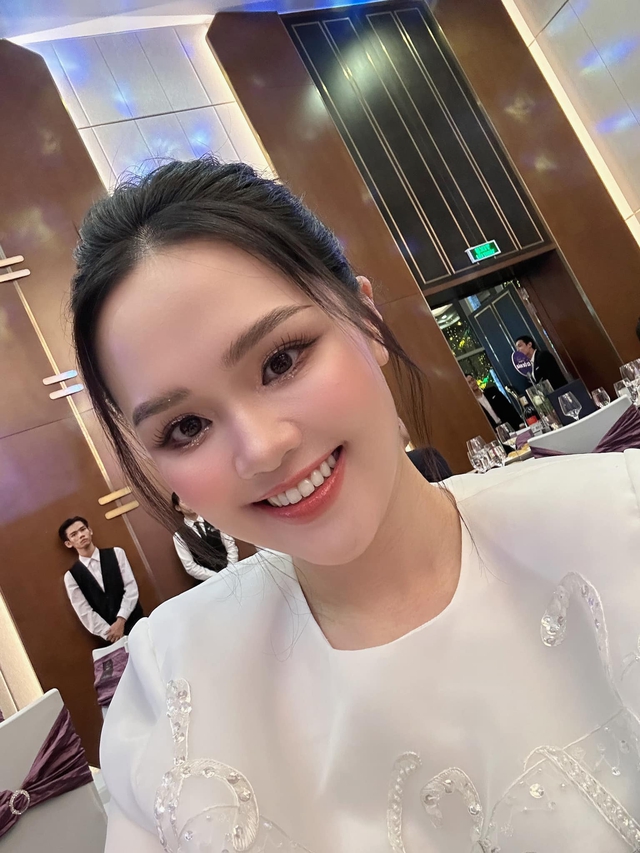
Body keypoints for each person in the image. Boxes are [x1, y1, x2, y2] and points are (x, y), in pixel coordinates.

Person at [70, 158, 640, 852]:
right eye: (186, 427)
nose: (263, 448)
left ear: (366, 318)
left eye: (281, 360)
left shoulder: (619, 521)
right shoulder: (173, 689)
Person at [59, 516, 143, 644]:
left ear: (90, 531)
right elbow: (84, 611)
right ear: (68, 543)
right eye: (74, 534)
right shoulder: (71, 576)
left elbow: (131, 588)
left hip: (136, 623)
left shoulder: (117, 553)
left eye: (83, 529)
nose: (81, 535)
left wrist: (121, 620)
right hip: (110, 638)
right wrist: (109, 633)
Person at [171, 492, 239, 580]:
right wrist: (217, 577)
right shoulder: (179, 536)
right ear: (178, 507)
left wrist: (230, 569)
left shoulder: (212, 519)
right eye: (184, 501)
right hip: (210, 580)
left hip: (232, 571)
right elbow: (190, 567)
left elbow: (230, 545)